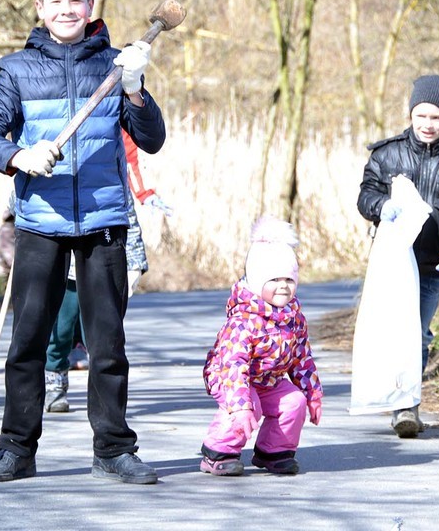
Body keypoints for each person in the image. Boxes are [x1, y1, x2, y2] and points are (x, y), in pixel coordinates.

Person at [0, 0, 166, 484]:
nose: (65, 9)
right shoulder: (16, 70)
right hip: (41, 223)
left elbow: (151, 139)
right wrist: (18, 156)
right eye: (55, 1)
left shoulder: (117, 63)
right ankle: (16, 449)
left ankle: (114, 450)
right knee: (28, 342)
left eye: (75, 0)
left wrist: (136, 89)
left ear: (89, 5)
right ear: (40, 9)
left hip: (104, 222)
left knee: (107, 345)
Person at [356, 74, 439, 438]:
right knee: (393, 331)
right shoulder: (387, 154)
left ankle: (407, 404)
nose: (429, 125)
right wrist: (382, 206)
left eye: (437, 119)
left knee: (419, 334)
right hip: (393, 263)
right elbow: (365, 196)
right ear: (411, 114)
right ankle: (395, 397)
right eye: (422, 117)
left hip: (430, 265)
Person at [44, 131, 172, 413]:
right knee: (62, 323)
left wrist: (145, 194)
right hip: (65, 231)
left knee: (104, 330)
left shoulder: (112, 126)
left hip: (108, 238)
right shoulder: (61, 122)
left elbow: (132, 158)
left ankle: (102, 395)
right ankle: (55, 380)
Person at [199, 216, 323, 477]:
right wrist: (241, 404)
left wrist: (312, 393)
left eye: (289, 280)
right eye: (274, 280)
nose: (283, 287)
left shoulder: (294, 318)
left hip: (267, 380)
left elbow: (302, 359)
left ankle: (274, 451)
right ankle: (218, 451)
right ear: (257, 281)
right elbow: (233, 366)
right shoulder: (243, 321)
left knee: (293, 401)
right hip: (229, 378)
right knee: (248, 405)